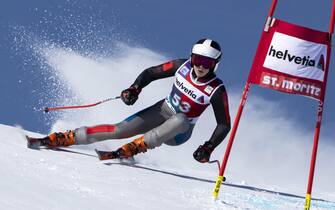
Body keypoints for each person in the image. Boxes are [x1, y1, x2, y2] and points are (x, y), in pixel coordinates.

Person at [30, 38, 231, 163]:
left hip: (178, 132)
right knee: (118, 130)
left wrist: (208, 147)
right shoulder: (182, 66)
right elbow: (151, 73)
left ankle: (136, 147)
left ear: (216, 64)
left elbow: (224, 124)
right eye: (197, 60)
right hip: (162, 110)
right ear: (191, 58)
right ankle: (68, 137)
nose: (201, 66)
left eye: (207, 63)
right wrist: (135, 88)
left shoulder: (216, 89)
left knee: (181, 119)